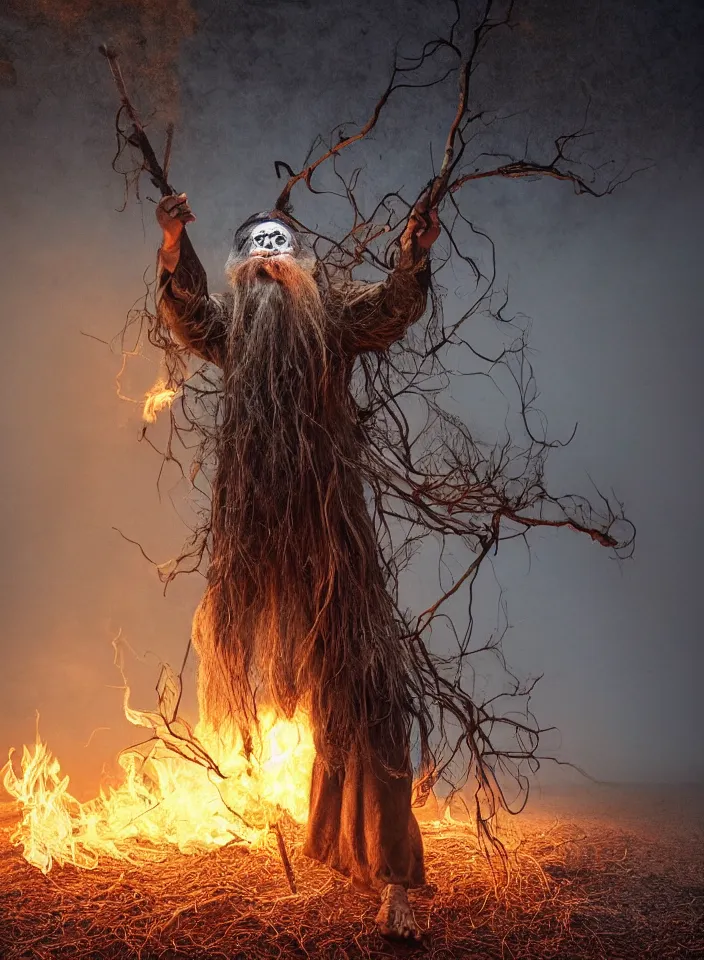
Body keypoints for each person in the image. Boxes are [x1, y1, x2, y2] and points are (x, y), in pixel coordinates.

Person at [155, 190, 440, 939]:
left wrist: (414, 252)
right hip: (254, 533)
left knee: (368, 688)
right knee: (274, 682)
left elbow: (393, 306)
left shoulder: (332, 318)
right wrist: (173, 240)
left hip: (330, 533)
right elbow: (187, 314)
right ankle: (341, 844)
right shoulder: (233, 328)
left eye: (280, 248)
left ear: (300, 264)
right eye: (256, 250)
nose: (268, 261)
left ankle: (395, 883)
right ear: (240, 267)